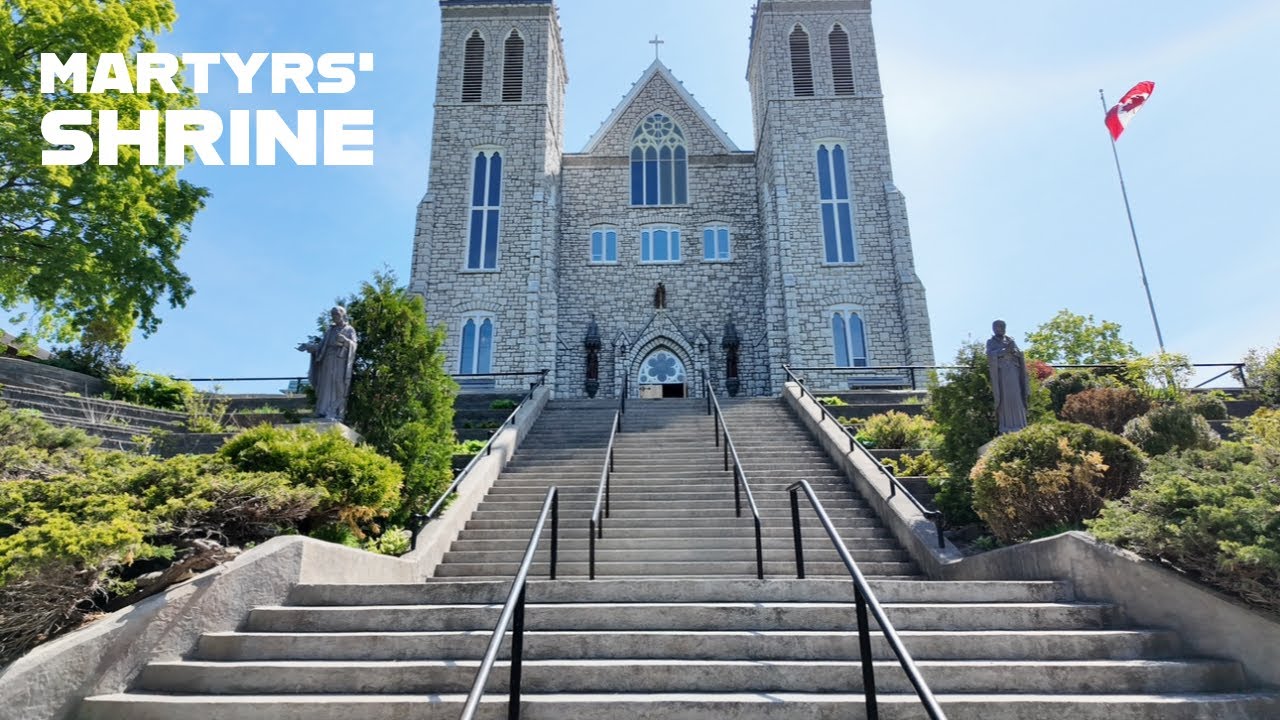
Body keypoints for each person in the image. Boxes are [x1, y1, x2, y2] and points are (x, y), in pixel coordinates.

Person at [297, 306, 358, 421]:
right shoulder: (330, 330)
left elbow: (354, 345)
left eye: (336, 314)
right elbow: (321, 347)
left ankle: (335, 412)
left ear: (343, 315)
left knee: (338, 385)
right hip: (327, 361)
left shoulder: (349, 329)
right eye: (332, 315)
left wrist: (345, 341)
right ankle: (322, 411)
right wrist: (308, 346)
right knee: (324, 385)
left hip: (340, 361)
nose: (334, 317)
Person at [986, 319, 1029, 434]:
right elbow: (990, 356)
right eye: (997, 327)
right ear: (993, 329)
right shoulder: (991, 342)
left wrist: (1016, 353)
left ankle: (1021, 424)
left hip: (1014, 372)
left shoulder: (1010, 340)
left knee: (1017, 396)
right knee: (1005, 398)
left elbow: (1019, 354)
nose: (999, 329)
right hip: (1002, 374)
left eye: (1001, 327)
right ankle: (1007, 426)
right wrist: (1005, 350)